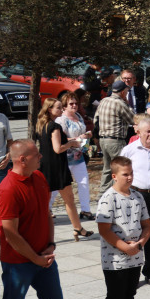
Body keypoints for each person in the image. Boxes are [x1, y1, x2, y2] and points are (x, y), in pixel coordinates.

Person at [0, 140, 81, 299]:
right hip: (18, 263)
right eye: (36, 154)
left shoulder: (40, 179)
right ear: (22, 159)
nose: (41, 157)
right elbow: (10, 234)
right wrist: (35, 258)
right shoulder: (8, 189)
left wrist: (51, 244)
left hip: (44, 256)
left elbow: (46, 213)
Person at [95, 156, 150, 299]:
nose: (129, 177)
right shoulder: (108, 198)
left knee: (129, 296)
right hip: (115, 259)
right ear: (114, 176)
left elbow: (147, 224)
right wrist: (124, 247)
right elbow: (104, 230)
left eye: (131, 173)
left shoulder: (137, 196)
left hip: (135, 256)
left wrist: (141, 243)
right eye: (125, 174)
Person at [119, 117, 150, 285]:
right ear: (138, 132)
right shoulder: (129, 150)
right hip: (135, 195)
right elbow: (119, 175)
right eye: (148, 131)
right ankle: (129, 273)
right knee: (132, 233)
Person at [35, 99, 89, 241]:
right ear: (49, 109)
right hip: (57, 166)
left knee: (45, 201)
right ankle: (77, 228)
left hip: (44, 165)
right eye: (58, 108)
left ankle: (75, 228)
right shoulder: (54, 126)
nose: (60, 110)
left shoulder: (42, 124)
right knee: (69, 200)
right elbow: (58, 148)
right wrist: (71, 143)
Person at [57, 92, 94, 221]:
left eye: (76, 103)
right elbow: (60, 139)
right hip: (65, 158)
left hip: (79, 156)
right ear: (64, 106)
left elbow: (83, 133)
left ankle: (86, 210)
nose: (74, 106)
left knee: (83, 182)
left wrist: (87, 136)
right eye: (71, 104)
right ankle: (47, 208)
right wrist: (77, 138)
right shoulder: (61, 120)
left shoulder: (78, 116)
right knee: (58, 185)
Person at [95, 79, 135, 188]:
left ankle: (103, 195)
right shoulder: (120, 103)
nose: (127, 93)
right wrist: (128, 104)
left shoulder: (104, 101)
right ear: (122, 92)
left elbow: (96, 120)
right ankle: (120, 193)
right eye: (126, 91)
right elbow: (133, 119)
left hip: (103, 140)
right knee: (121, 168)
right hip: (115, 141)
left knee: (107, 169)